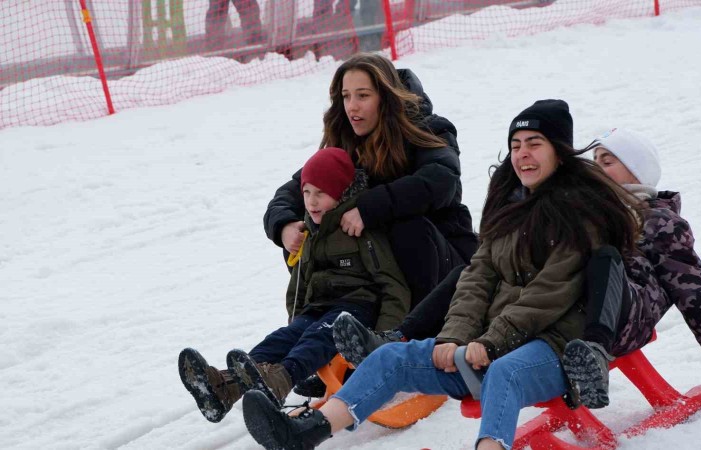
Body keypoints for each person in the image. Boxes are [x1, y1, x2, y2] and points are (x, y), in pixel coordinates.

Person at [242, 100, 643, 450]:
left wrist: (491, 342)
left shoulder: (581, 214)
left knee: (504, 372)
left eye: (534, 144)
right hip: (487, 346)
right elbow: (476, 278)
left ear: (559, 151)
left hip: (552, 347)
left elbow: (551, 292)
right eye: (516, 145)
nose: (523, 155)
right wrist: (455, 337)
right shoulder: (510, 208)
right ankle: (307, 431)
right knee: (389, 358)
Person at [177, 147, 410, 423]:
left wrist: (383, 338)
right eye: (307, 192)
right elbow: (300, 283)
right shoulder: (309, 231)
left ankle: (283, 378)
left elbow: (393, 285)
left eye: (321, 193)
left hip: (357, 310)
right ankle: (227, 386)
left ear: (341, 192)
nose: (311, 201)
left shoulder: (361, 229)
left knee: (317, 337)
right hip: (319, 307)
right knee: (284, 337)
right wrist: (296, 319)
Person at [263, 52, 477, 313]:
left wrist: (368, 208)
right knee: (308, 229)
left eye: (363, 96)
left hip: (446, 266)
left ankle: (418, 328)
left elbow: (441, 180)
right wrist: (283, 225)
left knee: (406, 227)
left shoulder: (428, 129)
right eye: (346, 96)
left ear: (385, 98)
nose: (352, 106)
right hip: (377, 273)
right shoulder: (345, 143)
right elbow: (292, 193)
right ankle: (318, 322)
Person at [561, 127, 701, 408]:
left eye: (608, 161)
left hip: (628, 318)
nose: (598, 169)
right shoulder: (588, 215)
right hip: (577, 313)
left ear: (636, 172)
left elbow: (696, 294)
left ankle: (593, 355)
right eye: (595, 162)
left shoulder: (659, 222)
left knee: (605, 260)